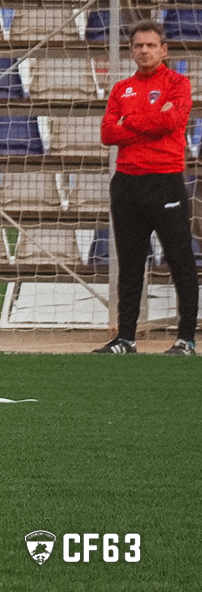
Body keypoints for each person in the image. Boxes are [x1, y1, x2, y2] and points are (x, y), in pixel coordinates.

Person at [94, 20, 197, 355]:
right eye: (138, 45)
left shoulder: (178, 84)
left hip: (165, 181)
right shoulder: (120, 88)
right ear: (131, 50)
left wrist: (130, 122)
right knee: (131, 263)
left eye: (151, 45)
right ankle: (125, 338)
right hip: (126, 183)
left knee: (180, 260)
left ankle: (186, 338)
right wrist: (150, 120)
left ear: (163, 49)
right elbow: (108, 134)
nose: (144, 51)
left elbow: (172, 122)